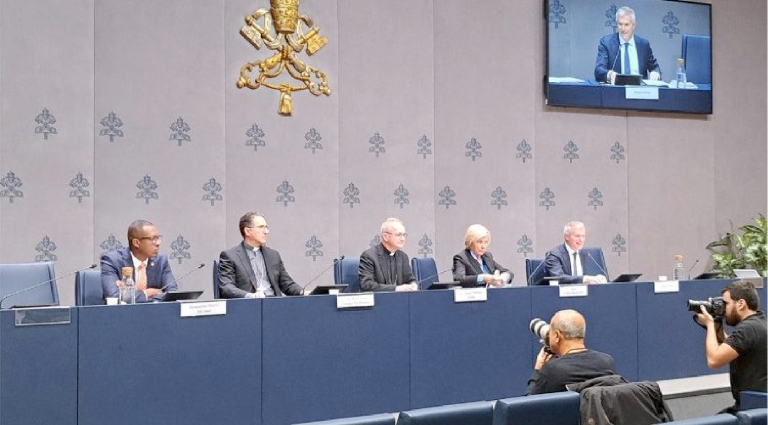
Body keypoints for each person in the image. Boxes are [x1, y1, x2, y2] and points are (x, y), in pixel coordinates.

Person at [696, 280, 768, 413]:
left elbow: (714, 360)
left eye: (726, 304)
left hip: (753, 408)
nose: (724, 310)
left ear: (741, 304)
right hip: (761, 403)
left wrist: (710, 325)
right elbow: (733, 346)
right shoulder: (760, 323)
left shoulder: (746, 329)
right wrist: (717, 327)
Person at [527, 309, 616, 394]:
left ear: (557, 336)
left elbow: (531, 402)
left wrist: (538, 370)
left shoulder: (552, 370)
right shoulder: (606, 362)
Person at [218, 212, 304, 298]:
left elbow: (287, 284)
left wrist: (303, 292)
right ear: (247, 231)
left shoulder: (273, 255)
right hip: (250, 304)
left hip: (274, 303)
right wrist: (250, 296)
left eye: (266, 227)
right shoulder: (230, 256)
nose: (266, 232)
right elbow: (227, 288)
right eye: (261, 227)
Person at [101, 219, 177, 302]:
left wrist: (130, 295)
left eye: (158, 238)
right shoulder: (112, 260)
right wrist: (148, 293)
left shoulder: (161, 260)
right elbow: (113, 296)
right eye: (153, 239)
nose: (158, 243)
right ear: (136, 243)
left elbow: (172, 293)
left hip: (155, 310)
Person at [594, 6, 661, 84]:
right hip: (615, 89)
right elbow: (599, 70)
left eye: (626, 25)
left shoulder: (643, 45)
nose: (623, 28)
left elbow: (655, 67)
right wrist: (609, 74)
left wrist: (655, 73)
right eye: (620, 24)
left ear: (634, 25)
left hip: (639, 90)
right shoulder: (606, 43)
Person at [359, 217, 418, 292]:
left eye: (404, 235)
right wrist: (395, 289)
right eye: (399, 235)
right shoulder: (369, 256)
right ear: (385, 237)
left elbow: (410, 279)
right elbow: (367, 285)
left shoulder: (403, 257)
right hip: (379, 299)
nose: (402, 239)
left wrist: (413, 285)